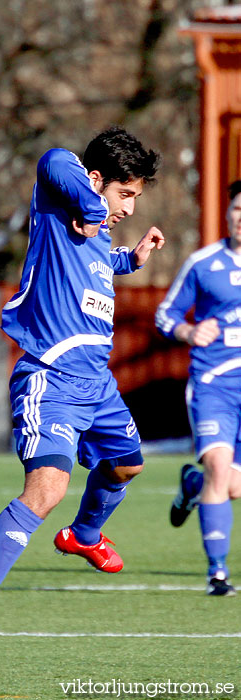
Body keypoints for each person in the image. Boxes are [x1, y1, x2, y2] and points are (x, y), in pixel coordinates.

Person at [0, 127, 163, 659]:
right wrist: (91, 202)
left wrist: (132, 259)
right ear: (96, 181)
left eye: (136, 197)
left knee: (126, 465)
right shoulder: (58, 198)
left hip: (100, 385)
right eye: (125, 194)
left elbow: (99, 261)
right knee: (46, 490)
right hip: (51, 378)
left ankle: (84, 536)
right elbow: (52, 159)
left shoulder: (94, 231)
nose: (130, 208)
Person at [155, 179, 241, 597]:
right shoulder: (203, 263)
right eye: (238, 209)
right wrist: (189, 330)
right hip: (213, 385)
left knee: (231, 487)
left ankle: (192, 485)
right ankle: (218, 574)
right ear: (227, 213)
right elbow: (165, 314)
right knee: (221, 471)